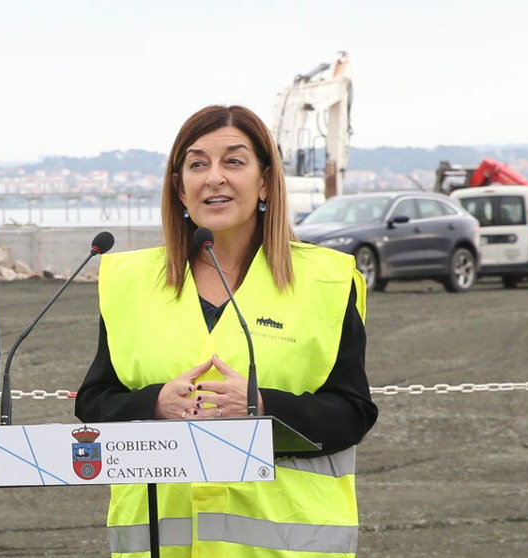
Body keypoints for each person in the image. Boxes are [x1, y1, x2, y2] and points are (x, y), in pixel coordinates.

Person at [75, 105, 378, 557]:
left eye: (233, 161)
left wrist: (261, 406)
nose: (213, 177)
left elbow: (352, 412)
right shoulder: (130, 282)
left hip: (286, 546)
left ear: (265, 181)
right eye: (197, 164)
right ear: (179, 188)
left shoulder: (327, 281)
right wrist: (154, 404)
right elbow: (94, 401)